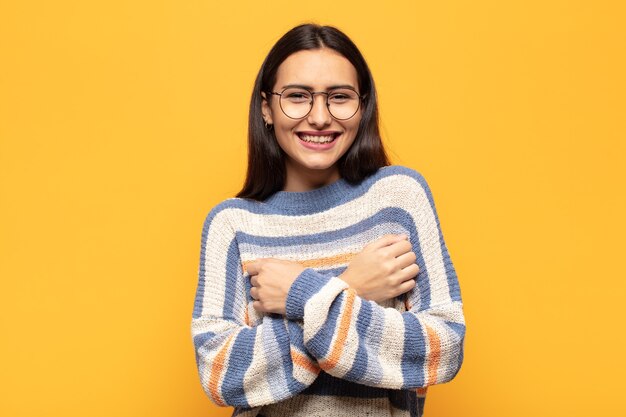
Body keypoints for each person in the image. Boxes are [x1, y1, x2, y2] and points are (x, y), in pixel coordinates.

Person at [190, 23, 465, 417]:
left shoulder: (398, 198)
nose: (320, 117)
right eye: (297, 97)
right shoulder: (232, 224)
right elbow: (222, 375)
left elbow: (443, 349)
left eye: (339, 97)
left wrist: (300, 294)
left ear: (363, 105)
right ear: (266, 108)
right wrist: (350, 286)